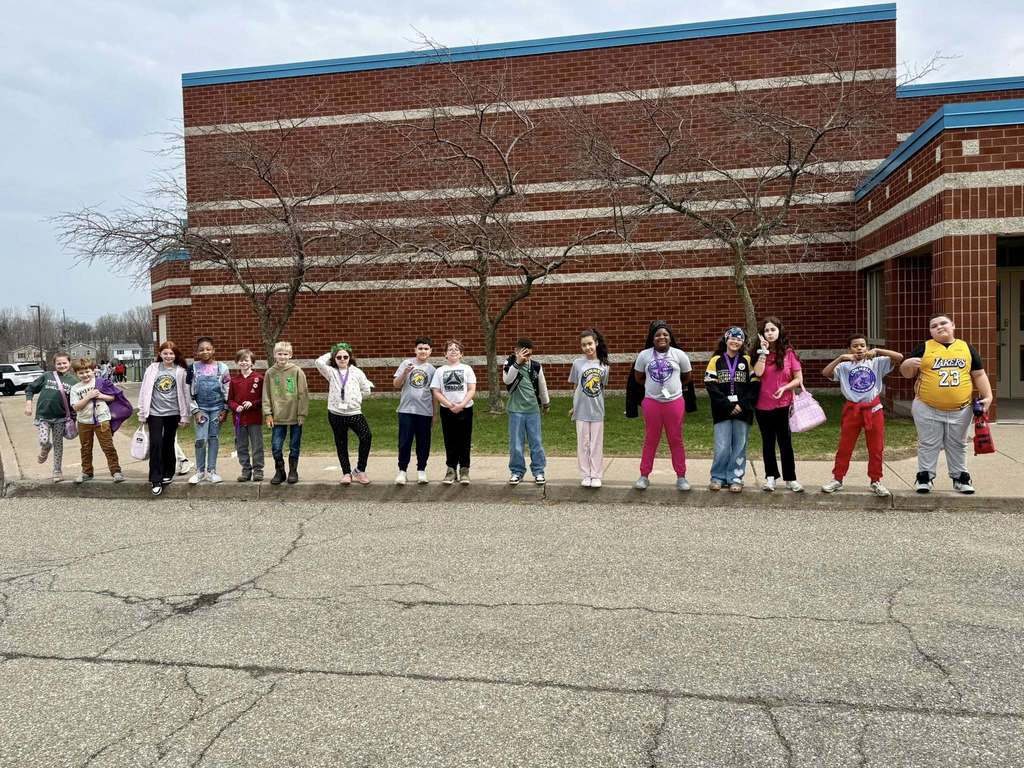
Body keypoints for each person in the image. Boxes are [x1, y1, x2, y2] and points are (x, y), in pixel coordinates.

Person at [900, 313, 994, 494]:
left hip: (961, 408)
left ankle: (960, 478)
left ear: (953, 326)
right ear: (930, 331)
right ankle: (925, 477)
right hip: (927, 406)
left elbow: (979, 374)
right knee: (928, 443)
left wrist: (988, 396)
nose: (939, 327)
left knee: (958, 444)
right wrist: (906, 364)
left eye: (943, 323)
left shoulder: (966, 348)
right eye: (934, 326)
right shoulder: (924, 348)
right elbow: (908, 374)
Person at [821, 334, 903, 497]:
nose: (859, 348)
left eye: (862, 345)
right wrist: (840, 358)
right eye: (855, 346)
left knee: (876, 447)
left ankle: (876, 480)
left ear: (867, 347)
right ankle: (838, 479)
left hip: (873, 409)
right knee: (845, 446)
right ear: (849, 349)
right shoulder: (844, 366)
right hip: (853, 410)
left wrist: (878, 350)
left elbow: (899, 357)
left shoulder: (876, 362)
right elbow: (826, 373)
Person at [632, 320, 692, 491]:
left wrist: (672, 387)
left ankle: (681, 476)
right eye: (658, 334)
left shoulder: (679, 355)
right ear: (652, 338)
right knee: (651, 439)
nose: (662, 337)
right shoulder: (644, 355)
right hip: (652, 403)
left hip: (674, 403)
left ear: (670, 338)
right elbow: (638, 377)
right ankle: (644, 475)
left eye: (665, 334)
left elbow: (687, 377)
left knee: (676, 439)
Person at [752, 317, 804, 492]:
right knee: (768, 443)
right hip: (762, 405)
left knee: (785, 442)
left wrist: (784, 388)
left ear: (779, 331)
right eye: (766, 330)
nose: (770, 333)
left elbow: (798, 379)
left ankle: (791, 478)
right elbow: (758, 373)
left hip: (783, 404)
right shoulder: (759, 353)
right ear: (762, 334)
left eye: (773, 330)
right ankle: (770, 477)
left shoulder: (789, 353)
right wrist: (763, 353)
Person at [705, 327, 759, 492]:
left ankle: (735, 477)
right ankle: (718, 477)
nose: (735, 341)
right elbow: (711, 385)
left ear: (742, 342)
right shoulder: (716, 360)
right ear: (726, 340)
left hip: (743, 411)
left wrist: (741, 405)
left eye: (739, 339)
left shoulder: (748, 360)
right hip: (722, 411)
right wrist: (728, 405)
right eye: (732, 338)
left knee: (739, 446)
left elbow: (755, 386)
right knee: (722, 445)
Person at [139, 341, 194, 496]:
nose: (168, 356)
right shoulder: (152, 369)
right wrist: (142, 413)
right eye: (165, 353)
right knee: (156, 443)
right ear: (160, 354)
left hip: (173, 412)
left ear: (175, 355)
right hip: (155, 413)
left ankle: (168, 472)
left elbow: (185, 394)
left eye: (171, 353)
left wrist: (185, 415)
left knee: (168, 443)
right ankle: (155, 479)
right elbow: (144, 391)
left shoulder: (181, 371)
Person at [316, 342, 374, 485]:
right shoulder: (331, 372)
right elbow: (318, 362)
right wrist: (334, 351)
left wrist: (357, 398)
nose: (342, 359)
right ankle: (346, 473)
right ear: (334, 359)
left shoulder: (356, 372)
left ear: (350, 357)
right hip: (336, 413)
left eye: (345, 356)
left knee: (366, 436)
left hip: (354, 412)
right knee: (341, 443)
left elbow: (367, 389)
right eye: (339, 357)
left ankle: (360, 470)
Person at [24, 352, 78, 483]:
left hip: (61, 418)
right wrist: (28, 404)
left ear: (69, 363)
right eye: (58, 363)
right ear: (54, 364)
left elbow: (75, 403)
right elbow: (30, 389)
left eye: (64, 363)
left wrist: (74, 419)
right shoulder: (47, 376)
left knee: (58, 445)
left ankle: (57, 471)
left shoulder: (74, 381)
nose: (62, 365)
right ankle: (46, 447)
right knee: (43, 440)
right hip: (44, 416)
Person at [503, 338, 551, 486]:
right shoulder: (509, 363)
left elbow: (542, 384)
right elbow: (507, 380)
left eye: (529, 355)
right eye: (524, 353)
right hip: (516, 409)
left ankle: (539, 471)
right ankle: (517, 472)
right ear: (516, 351)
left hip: (532, 410)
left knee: (536, 442)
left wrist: (545, 402)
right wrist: (517, 363)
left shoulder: (536, 366)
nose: (526, 357)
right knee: (516, 443)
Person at [69, 357, 124, 484]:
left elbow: (112, 397)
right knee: (86, 447)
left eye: (87, 371)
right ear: (76, 374)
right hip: (84, 422)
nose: (85, 375)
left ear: (93, 370)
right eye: (81, 373)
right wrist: (88, 397)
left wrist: (101, 396)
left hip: (102, 420)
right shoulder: (75, 388)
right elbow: (76, 407)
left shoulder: (101, 383)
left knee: (108, 446)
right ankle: (87, 472)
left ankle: (116, 471)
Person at [430, 340, 476, 485]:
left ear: (461, 354)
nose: (453, 351)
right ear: (445, 354)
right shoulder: (440, 371)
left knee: (464, 440)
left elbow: (471, 389)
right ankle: (451, 470)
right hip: (447, 410)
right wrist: (449, 405)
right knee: (450, 440)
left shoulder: (467, 369)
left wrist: (462, 404)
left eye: (457, 349)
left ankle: (464, 470)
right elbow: (436, 391)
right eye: (450, 349)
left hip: (465, 409)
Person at [263, 340, 309, 485]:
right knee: (276, 446)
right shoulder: (270, 373)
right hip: (277, 417)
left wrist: (302, 413)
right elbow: (266, 395)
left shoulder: (296, 371)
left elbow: (303, 393)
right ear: (274, 355)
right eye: (279, 354)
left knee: (294, 445)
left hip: (295, 415)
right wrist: (268, 413)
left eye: (285, 354)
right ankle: (280, 471)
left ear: (290, 355)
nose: (282, 356)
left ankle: (293, 471)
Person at [569, 328, 610, 488]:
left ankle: (596, 475)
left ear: (596, 343)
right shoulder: (577, 363)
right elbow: (575, 386)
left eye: (590, 344)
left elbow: (601, 388)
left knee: (596, 444)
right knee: (583, 444)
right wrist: (573, 407)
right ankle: (586, 474)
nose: (587, 347)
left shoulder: (604, 365)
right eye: (584, 345)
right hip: (581, 411)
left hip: (597, 411)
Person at [393, 336, 436, 485]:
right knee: (404, 442)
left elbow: (433, 394)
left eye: (426, 348)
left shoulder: (432, 370)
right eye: (420, 348)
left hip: (424, 412)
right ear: (415, 350)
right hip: (406, 411)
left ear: (430, 351)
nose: (423, 351)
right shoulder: (407, 363)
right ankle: (402, 471)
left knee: (423, 443)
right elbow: (396, 384)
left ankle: (421, 471)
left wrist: (434, 414)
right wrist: (405, 373)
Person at [187, 337, 230, 484]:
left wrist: (225, 409)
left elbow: (227, 390)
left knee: (213, 438)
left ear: (213, 350)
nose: (205, 351)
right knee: (200, 440)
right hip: (201, 408)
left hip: (217, 408)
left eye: (208, 349)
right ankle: (199, 472)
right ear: (197, 352)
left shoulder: (222, 368)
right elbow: (190, 392)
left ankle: (212, 471)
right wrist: (196, 411)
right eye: (201, 349)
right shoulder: (192, 368)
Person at [228, 348, 264, 482]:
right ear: (237, 363)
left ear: (252, 362)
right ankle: (246, 470)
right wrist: (235, 406)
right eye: (241, 360)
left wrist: (253, 403)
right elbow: (229, 400)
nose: (244, 363)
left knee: (257, 445)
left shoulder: (259, 378)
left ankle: (258, 470)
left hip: (254, 418)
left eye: (246, 360)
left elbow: (263, 399)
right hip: (239, 419)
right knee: (241, 446)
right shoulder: (234, 380)